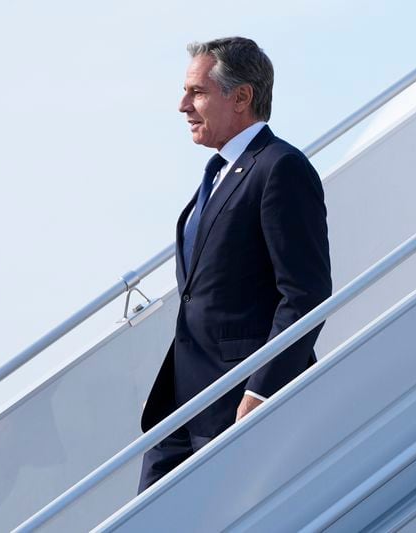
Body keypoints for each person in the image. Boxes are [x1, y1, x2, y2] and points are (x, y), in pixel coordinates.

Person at [138, 36, 332, 493]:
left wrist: (260, 390)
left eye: (197, 92)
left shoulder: (279, 167)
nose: (183, 105)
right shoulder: (219, 172)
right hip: (183, 405)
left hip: (237, 402)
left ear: (241, 96)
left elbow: (305, 294)